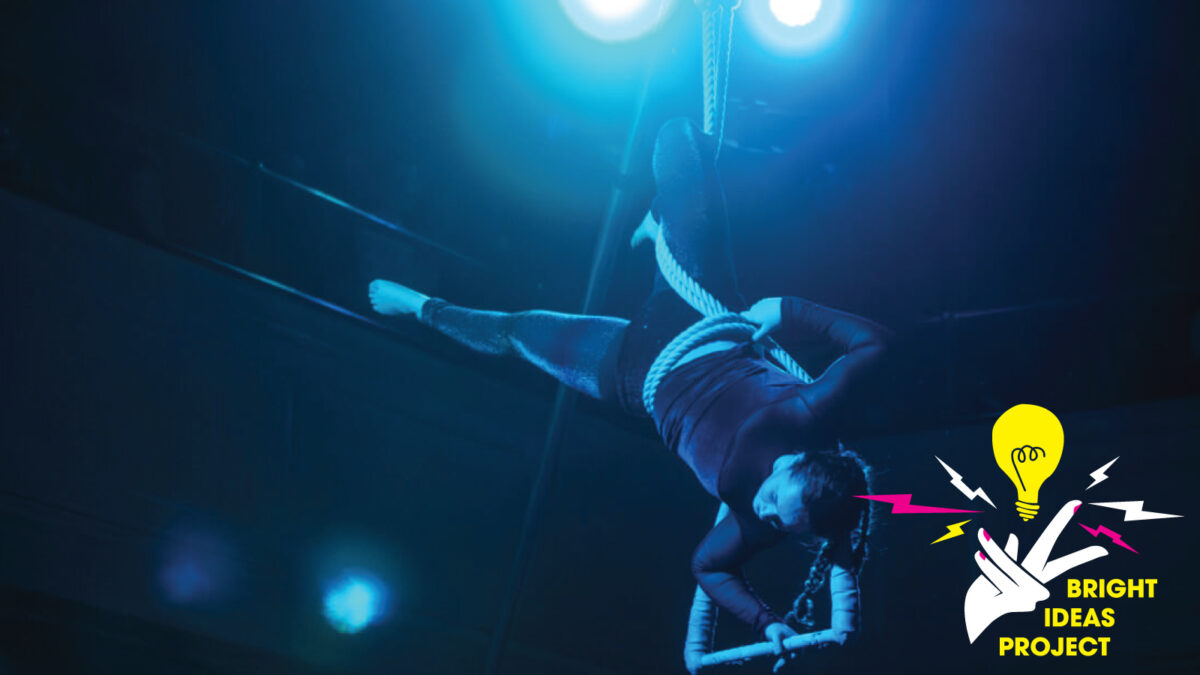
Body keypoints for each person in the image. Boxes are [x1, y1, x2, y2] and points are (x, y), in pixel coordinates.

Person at [369, 118, 889, 670]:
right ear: (795, 463)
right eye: (776, 501)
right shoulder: (808, 414)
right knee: (680, 145)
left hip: (636, 375)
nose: (765, 512)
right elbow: (875, 344)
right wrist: (786, 310)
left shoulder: (762, 522)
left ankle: (422, 307)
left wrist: (766, 622)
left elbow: (707, 567)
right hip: (694, 312)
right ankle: (660, 218)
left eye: (781, 524)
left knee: (517, 333)